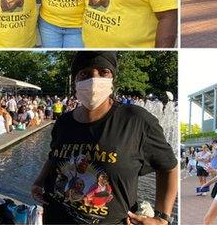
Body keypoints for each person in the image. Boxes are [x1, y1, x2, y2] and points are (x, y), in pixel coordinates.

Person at [30, 51, 178, 224]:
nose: (94, 80)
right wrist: (39, 181)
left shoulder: (136, 120)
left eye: (103, 72)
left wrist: (162, 218)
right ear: (75, 81)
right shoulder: (63, 122)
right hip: (56, 217)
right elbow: (54, 156)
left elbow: (168, 166)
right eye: (84, 74)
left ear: (112, 78)